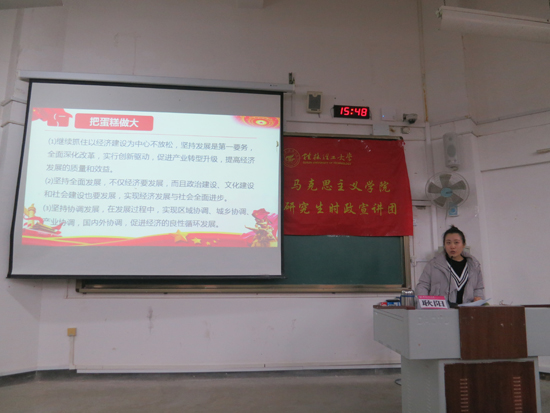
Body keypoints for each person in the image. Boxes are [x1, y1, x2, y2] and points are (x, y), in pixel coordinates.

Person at [416, 225, 484, 306]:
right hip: (440, 311)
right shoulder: (433, 265)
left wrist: (478, 299)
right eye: (448, 243)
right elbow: (423, 286)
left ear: (463, 244)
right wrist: (423, 304)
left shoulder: (474, 265)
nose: (452, 246)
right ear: (444, 245)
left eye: (456, 242)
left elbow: (478, 288)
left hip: (467, 310)